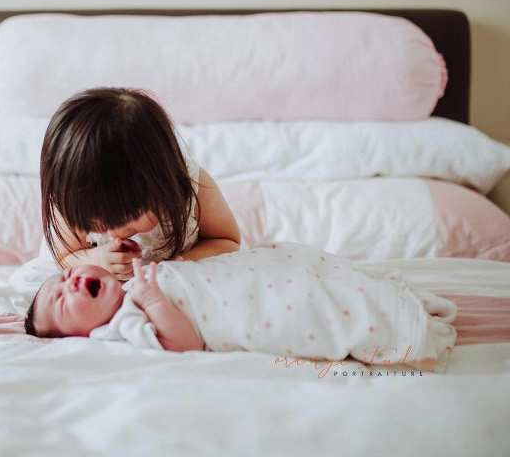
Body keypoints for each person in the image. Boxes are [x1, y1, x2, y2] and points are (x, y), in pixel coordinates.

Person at [23, 242, 459, 372]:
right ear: (79, 336)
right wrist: (153, 300)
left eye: (65, 277)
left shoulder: (127, 280)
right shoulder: (122, 325)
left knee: (298, 272)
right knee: (304, 302)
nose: (72, 281)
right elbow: (182, 344)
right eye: (63, 299)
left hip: (244, 277)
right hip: (243, 310)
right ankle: (394, 322)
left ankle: (376, 296)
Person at [38, 87, 241, 281]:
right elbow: (64, 257)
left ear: (163, 186)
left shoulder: (192, 185)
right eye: (95, 225)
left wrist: (180, 265)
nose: (113, 234)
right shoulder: (74, 197)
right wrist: (96, 260)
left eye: (127, 218)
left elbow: (228, 241)